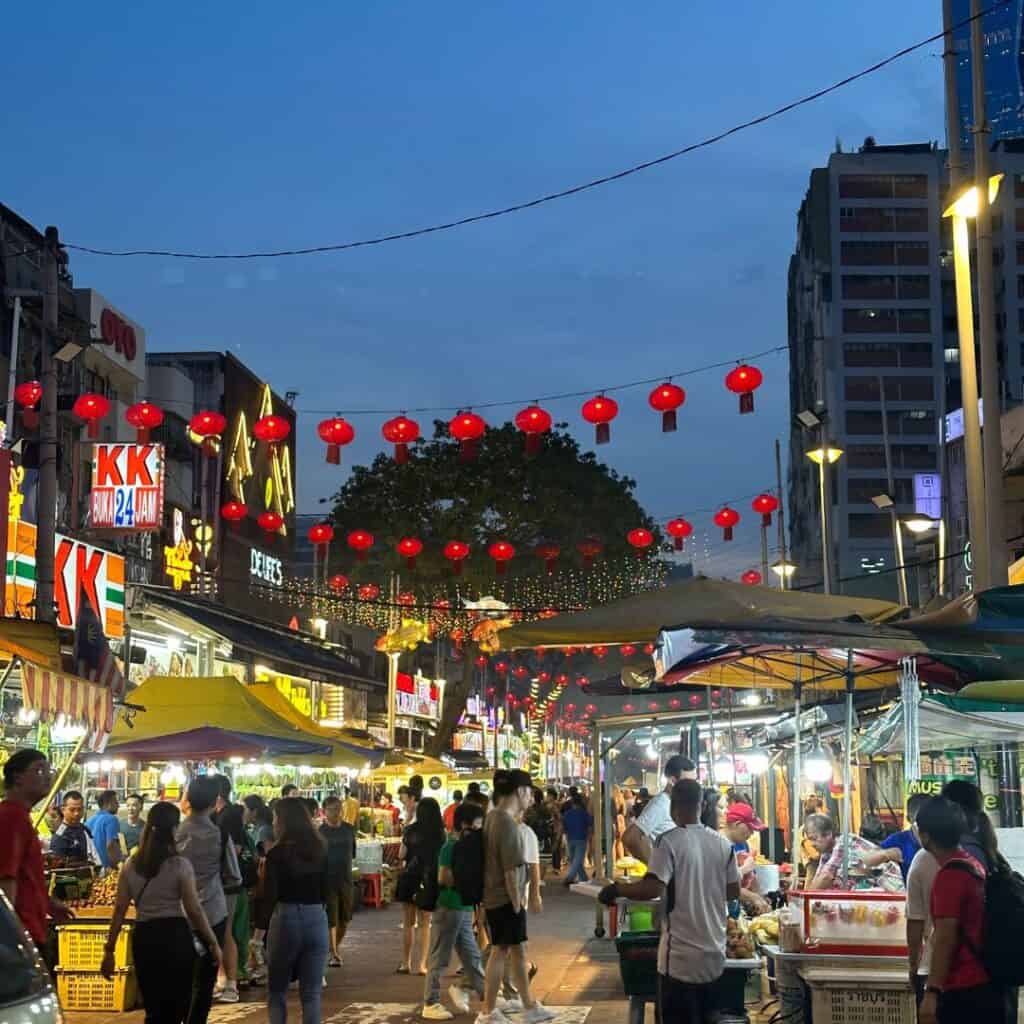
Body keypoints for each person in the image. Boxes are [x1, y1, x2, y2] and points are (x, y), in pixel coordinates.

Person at [599, 779, 741, 1024]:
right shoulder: (723, 845)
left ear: (674, 807)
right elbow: (733, 891)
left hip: (680, 960)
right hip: (715, 957)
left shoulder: (669, 841)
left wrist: (615, 890)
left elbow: (651, 888)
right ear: (701, 806)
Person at [102, 801, 222, 1024]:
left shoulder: (131, 864)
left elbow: (119, 909)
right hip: (175, 936)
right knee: (177, 1005)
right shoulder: (180, 865)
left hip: (144, 936)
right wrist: (213, 942)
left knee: (153, 1005)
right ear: (174, 829)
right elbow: (194, 910)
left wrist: (109, 950)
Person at [916, 796, 1002, 1024]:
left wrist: (932, 992)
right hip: (984, 981)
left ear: (925, 836)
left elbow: (946, 937)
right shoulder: (971, 864)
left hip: (963, 987)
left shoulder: (949, 876)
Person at [480, 769, 555, 1024]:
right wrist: (517, 903)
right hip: (504, 899)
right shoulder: (506, 823)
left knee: (515, 952)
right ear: (520, 791)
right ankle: (488, 1012)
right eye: (530, 793)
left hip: (493, 896)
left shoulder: (491, 817)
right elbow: (511, 870)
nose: (531, 799)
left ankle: (528, 1005)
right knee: (502, 952)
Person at [178, 775, 242, 1024]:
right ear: (215, 801)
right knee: (204, 983)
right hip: (212, 912)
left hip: (180, 913)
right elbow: (234, 876)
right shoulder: (220, 834)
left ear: (188, 800)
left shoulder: (176, 833)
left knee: (181, 976)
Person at [0, 749, 74, 955]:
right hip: (20, 938)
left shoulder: (20, 817)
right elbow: (6, 881)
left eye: (48, 770)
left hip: (28, 931)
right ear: (18, 778)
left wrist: (48, 904)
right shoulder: (11, 817)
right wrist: (11, 938)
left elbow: (24, 877)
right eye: (39, 770)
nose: (48, 776)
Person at [264, 798, 330, 1024]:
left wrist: (258, 934)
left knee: (277, 990)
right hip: (317, 917)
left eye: (275, 818)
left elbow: (269, 895)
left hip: (286, 917)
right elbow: (327, 888)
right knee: (311, 994)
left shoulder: (276, 854)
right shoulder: (320, 849)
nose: (273, 823)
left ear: (283, 821)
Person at [421, 803, 488, 1020]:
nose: (480, 829)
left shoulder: (464, 845)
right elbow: (443, 876)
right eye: (478, 824)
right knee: (440, 957)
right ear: (465, 824)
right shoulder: (451, 846)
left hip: (462, 907)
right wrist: (464, 882)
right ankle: (430, 1002)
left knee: (471, 956)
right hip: (449, 906)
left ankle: (488, 996)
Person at [397, 796, 445, 975]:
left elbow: (402, 854)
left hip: (410, 877)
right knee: (425, 923)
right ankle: (422, 965)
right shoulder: (440, 833)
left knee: (408, 922)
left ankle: (405, 963)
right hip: (429, 879)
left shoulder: (410, 830)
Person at [623, 755, 697, 865]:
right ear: (672, 781)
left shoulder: (674, 803)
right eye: (688, 782)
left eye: (694, 782)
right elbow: (630, 837)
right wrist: (655, 868)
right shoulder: (661, 804)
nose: (693, 787)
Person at [804, 812, 903, 891]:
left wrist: (807, 899)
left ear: (828, 834)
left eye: (814, 838)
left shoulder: (844, 843)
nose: (812, 844)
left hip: (894, 888)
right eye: (810, 839)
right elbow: (819, 878)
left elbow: (826, 877)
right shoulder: (826, 853)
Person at [214, 804, 249, 1003]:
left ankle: (229, 982)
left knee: (225, 934)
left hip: (225, 890)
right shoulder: (226, 833)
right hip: (229, 889)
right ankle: (225, 980)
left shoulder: (222, 834)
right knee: (225, 934)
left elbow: (233, 869)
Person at [320, 794, 355, 967]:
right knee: (331, 917)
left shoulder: (349, 829)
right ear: (324, 811)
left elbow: (353, 852)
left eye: (339, 809)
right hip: (327, 879)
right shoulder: (320, 832)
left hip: (346, 878)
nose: (336, 813)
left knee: (345, 917)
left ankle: (334, 948)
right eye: (332, 809)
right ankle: (333, 952)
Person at [863, 793, 929, 884]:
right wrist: (886, 854)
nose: (925, 829)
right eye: (919, 824)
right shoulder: (899, 840)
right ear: (909, 819)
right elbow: (866, 860)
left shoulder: (942, 839)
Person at [50, 790, 100, 865]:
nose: (76, 813)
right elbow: (58, 868)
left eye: (79, 809)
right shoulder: (60, 836)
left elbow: (95, 856)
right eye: (72, 810)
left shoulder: (85, 830)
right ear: (63, 810)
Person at [561, 792, 593, 885]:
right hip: (581, 838)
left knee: (574, 860)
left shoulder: (567, 814)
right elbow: (590, 826)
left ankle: (584, 878)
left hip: (570, 838)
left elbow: (564, 827)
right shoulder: (584, 813)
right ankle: (569, 878)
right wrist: (589, 836)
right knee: (577, 860)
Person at [86, 790, 123, 869]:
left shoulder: (88, 821)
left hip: (91, 868)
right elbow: (111, 845)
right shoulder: (112, 819)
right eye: (116, 802)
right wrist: (117, 867)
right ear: (108, 804)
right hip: (105, 869)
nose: (118, 805)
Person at [543, 788, 563, 873]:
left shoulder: (555, 805)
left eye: (548, 795)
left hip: (556, 829)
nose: (546, 796)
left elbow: (559, 817)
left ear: (552, 796)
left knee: (556, 847)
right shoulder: (548, 805)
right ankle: (555, 866)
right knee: (554, 847)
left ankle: (557, 867)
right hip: (552, 829)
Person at [610, 786, 627, 863]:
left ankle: (613, 863)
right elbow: (624, 812)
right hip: (621, 821)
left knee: (612, 844)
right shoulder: (621, 799)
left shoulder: (612, 800)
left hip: (614, 821)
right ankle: (621, 860)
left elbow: (612, 813)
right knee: (620, 843)